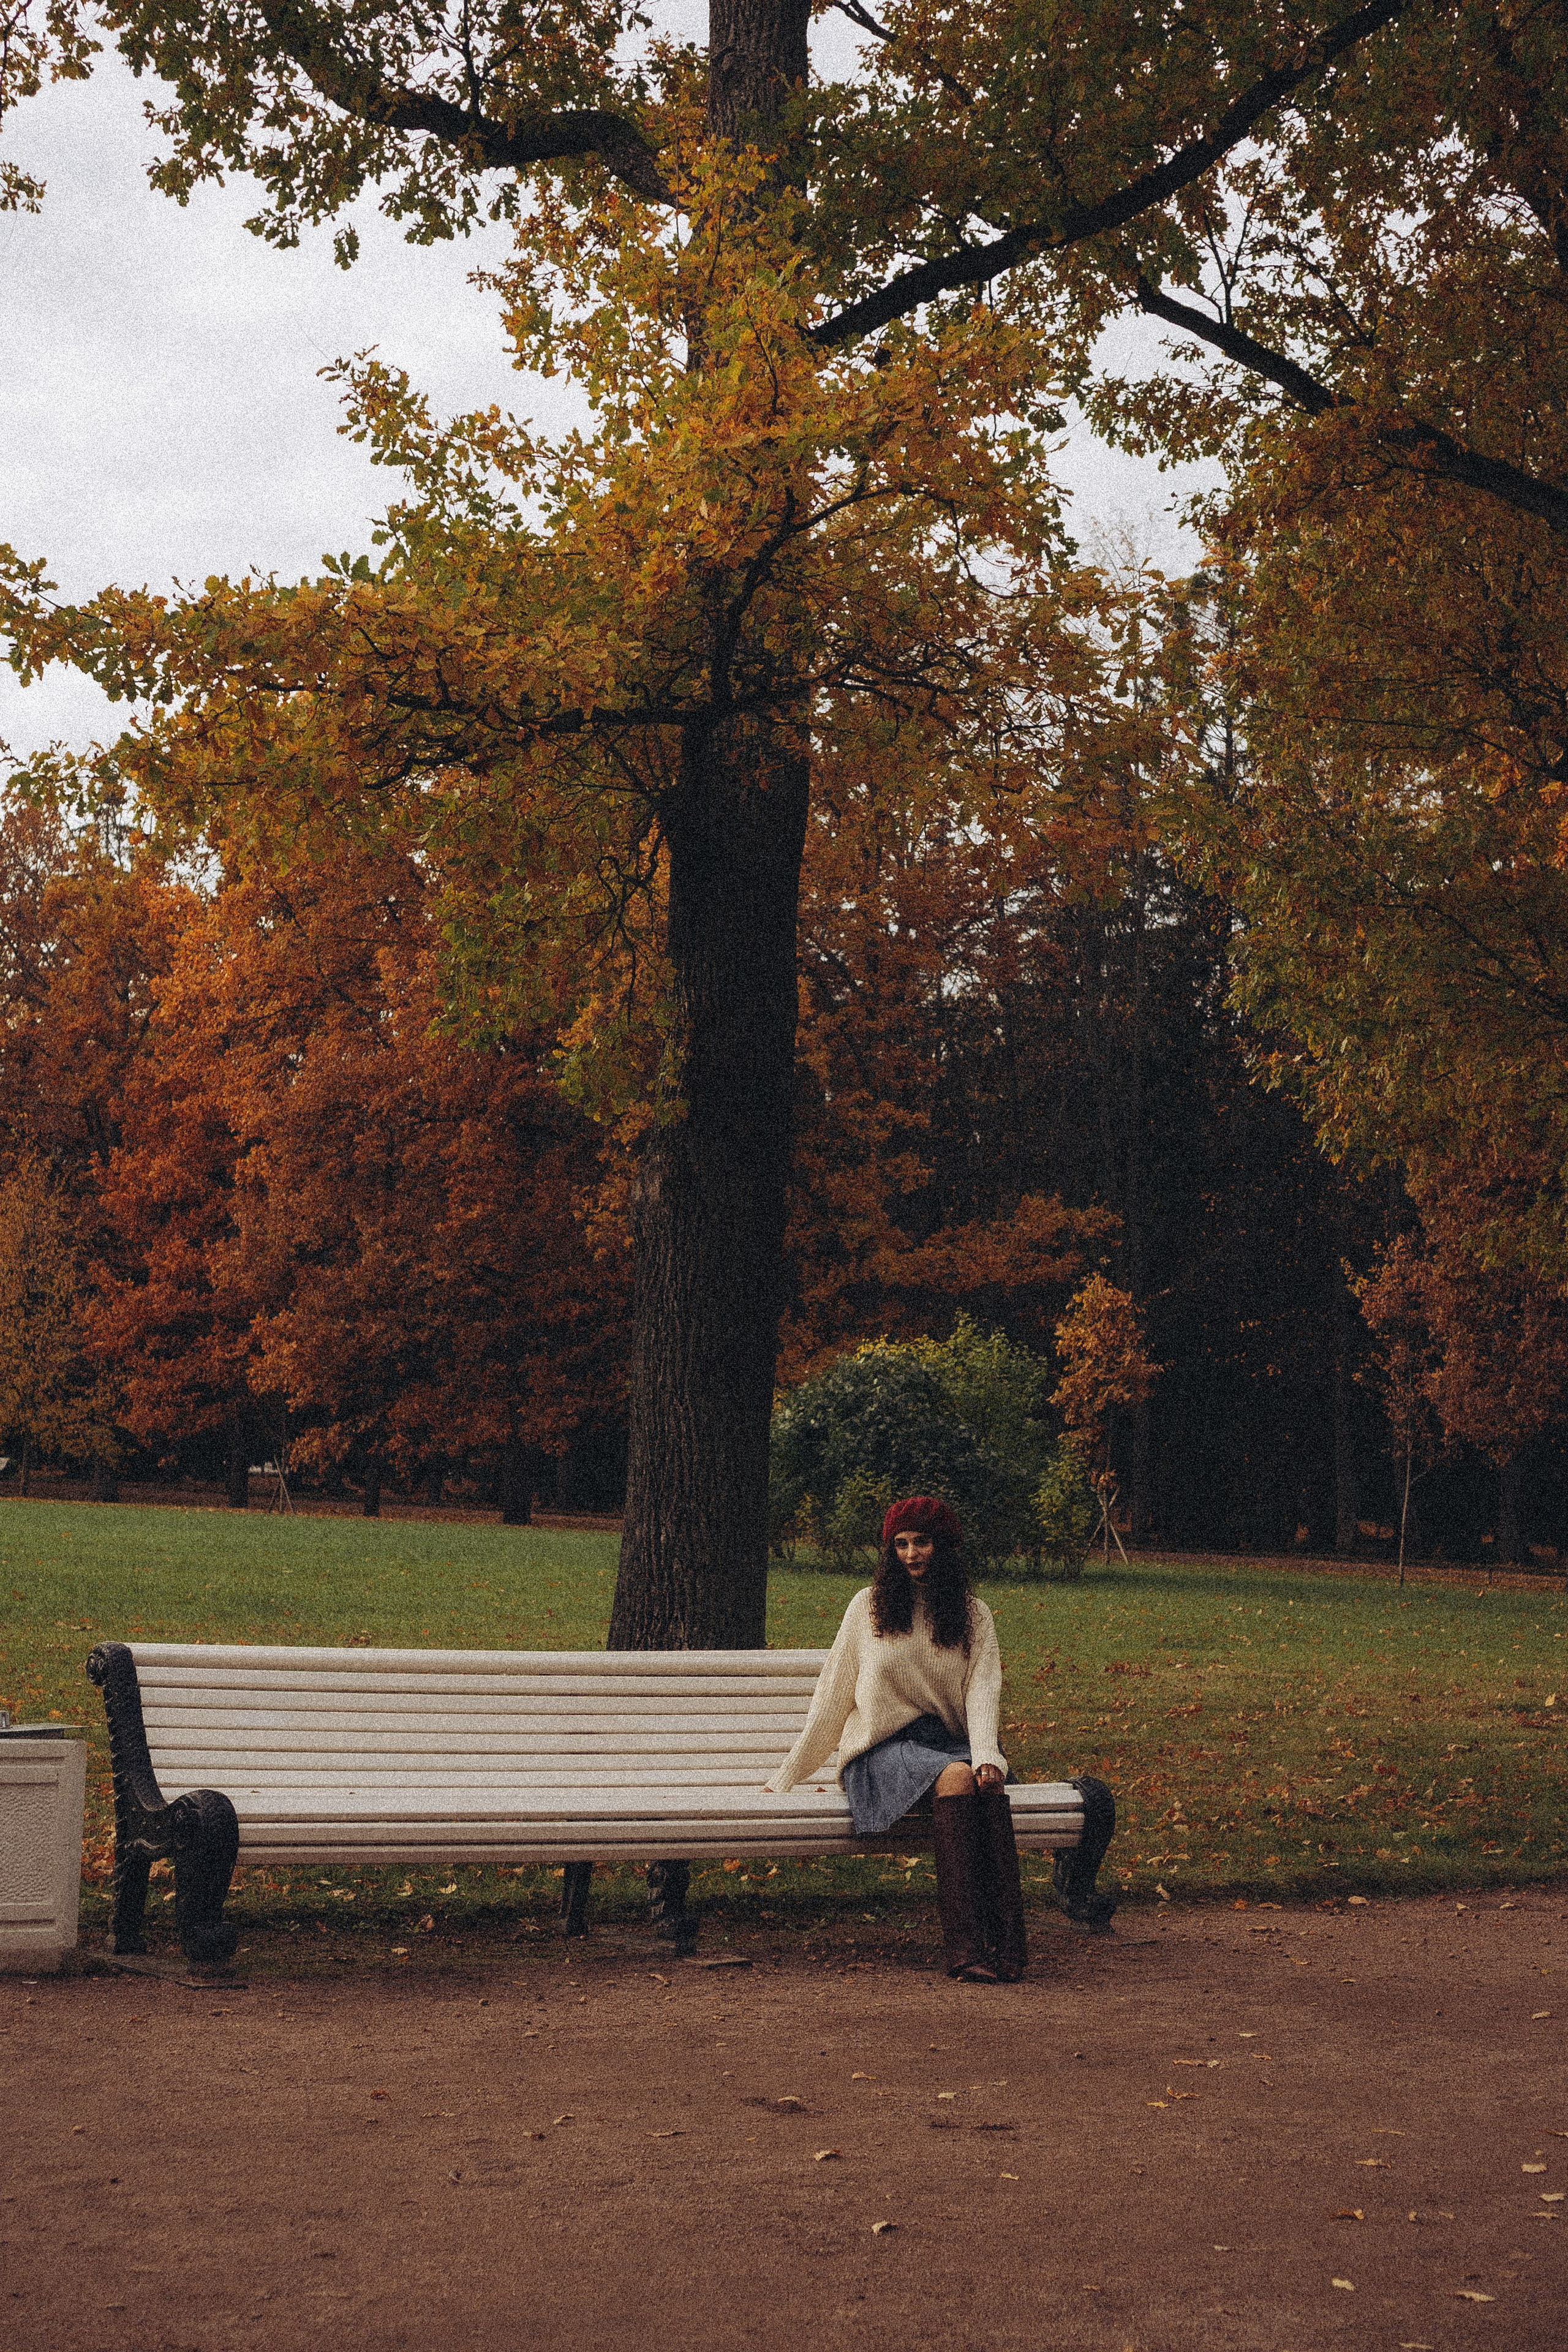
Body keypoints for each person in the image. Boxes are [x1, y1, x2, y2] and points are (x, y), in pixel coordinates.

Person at [767, 1494, 1027, 1982]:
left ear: (944, 1546)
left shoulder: (975, 1616)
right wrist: (789, 1775)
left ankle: (1009, 1945)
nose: (912, 1554)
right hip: (879, 1750)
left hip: (947, 1743)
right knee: (957, 1776)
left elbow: (983, 1690)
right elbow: (833, 1698)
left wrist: (988, 1755)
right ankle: (966, 1949)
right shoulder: (866, 1609)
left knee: (984, 1780)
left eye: (923, 1542)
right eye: (901, 1544)